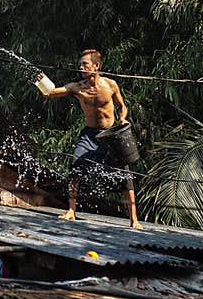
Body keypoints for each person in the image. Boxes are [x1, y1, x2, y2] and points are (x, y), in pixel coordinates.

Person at [35, 49, 142, 229]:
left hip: (111, 135)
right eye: (80, 64)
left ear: (97, 65)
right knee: (75, 165)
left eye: (85, 64)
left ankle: (134, 220)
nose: (81, 67)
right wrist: (41, 81)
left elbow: (122, 107)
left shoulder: (111, 85)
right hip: (89, 135)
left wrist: (123, 118)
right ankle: (71, 211)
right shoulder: (77, 87)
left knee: (125, 175)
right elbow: (50, 93)